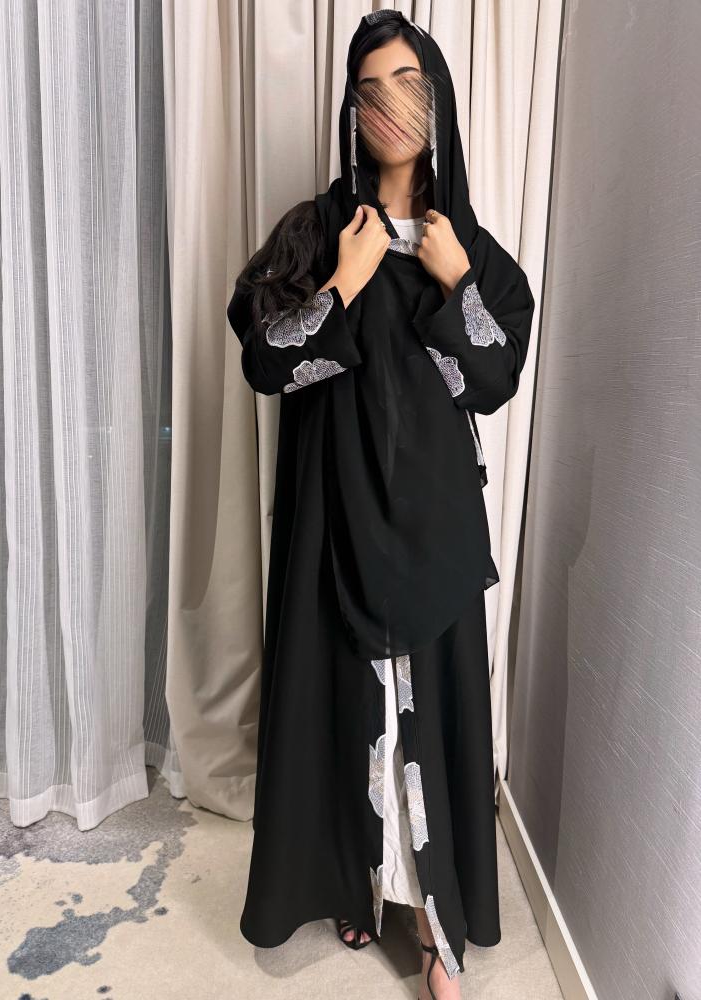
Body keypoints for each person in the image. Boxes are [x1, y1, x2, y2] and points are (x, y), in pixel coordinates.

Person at [226, 10, 536, 999]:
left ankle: (437, 932)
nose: (391, 107)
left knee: (427, 722)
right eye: (370, 90)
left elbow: (493, 379)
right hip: (336, 524)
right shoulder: (318, 233)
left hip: (432, 530)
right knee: (349, 713)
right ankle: (355, 881)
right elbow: (267, 361)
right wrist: (345, 284)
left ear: (436, 101)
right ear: (351, 110)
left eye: (409, 85)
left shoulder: (466, 247)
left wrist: (453, 283)